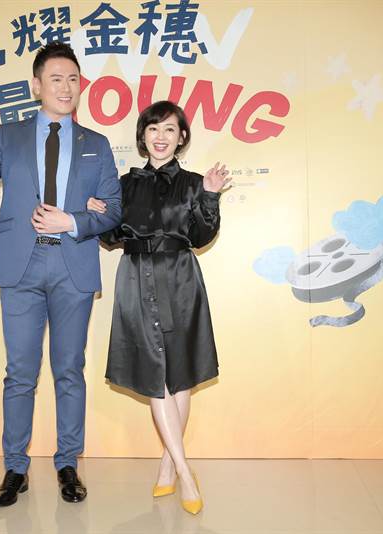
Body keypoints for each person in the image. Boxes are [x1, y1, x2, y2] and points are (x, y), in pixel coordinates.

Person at [0, 42, 121, 507]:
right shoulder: (7, 136)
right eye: (55, 79)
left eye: (73, 79)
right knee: (20, 374)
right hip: (21, 266)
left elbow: (113, 209)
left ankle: (68, 463)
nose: (66, 88)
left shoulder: (96, 144)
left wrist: (71, 220)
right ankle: (15, 468)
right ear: (36, 86)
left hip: (73, 264)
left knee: (69, 370)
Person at [87, 100, 230, 514]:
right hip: (136, 278)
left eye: (169, 129)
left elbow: (200, 237)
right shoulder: (124, 184)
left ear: (181, 137)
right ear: (143, 136)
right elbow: (111, 238)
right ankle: (186, 473)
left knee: (180, 379)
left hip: (181, 280)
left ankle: (169, 466)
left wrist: (211, 196)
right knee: (157, 377)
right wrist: (100, 214)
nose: (161, 137)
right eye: (153, 129)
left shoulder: (195, 183)